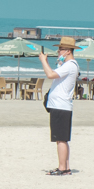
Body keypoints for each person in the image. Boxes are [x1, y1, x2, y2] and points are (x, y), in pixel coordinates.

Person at [39, 37, 79, 173]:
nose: (58, 51)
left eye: (61, 49)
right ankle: (65, 167)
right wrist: (56, 62)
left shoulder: (69, 65)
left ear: (68, 51)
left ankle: (62, 168)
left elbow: (50, 75)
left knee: (60, 139)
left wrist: (43, 62)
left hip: (61, 105)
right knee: (62, 139)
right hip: (61, 105)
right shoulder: (67, 65)